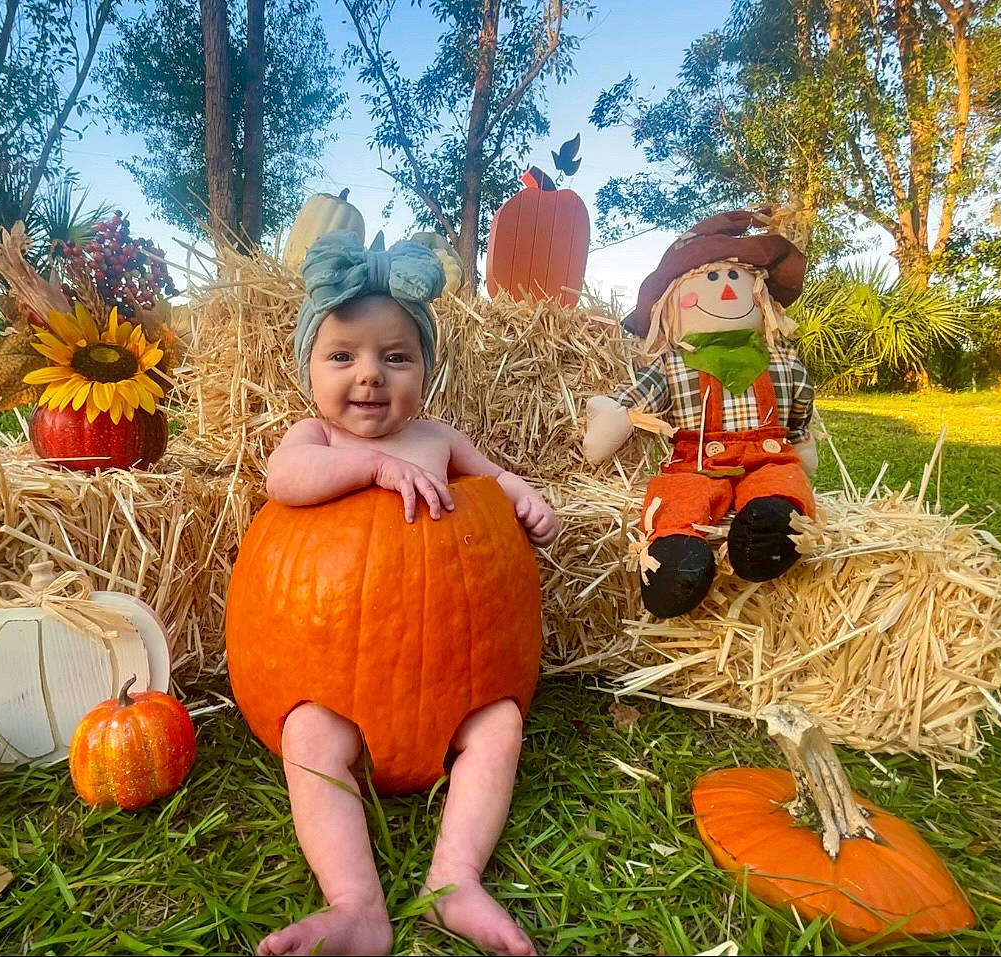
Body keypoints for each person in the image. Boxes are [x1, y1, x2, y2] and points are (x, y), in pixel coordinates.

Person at [256, 231, 558, 957]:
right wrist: (370, 470)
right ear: (310, 370)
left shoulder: (438, 437)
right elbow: (282, 482)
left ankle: (456, 879)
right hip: (337, 684)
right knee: (307, 735)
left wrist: (524, 500)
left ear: (424, 367)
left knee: (501, 725)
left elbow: (493, 480)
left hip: (454, 678)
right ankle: (356, 904)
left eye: (396, 356)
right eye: (343, 356)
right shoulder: (316, 442)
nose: (369, 376)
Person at [582, 209, 817, 619]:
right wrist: (614, 413)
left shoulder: (781, 360)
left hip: (768, 456)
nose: (726, 291)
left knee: (782, 481)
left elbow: (800, 408)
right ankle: (675, 557)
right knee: (678, 495)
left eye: (734, 279)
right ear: (671, 305)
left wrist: (800, 439)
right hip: (696, 461)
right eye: (710, 279)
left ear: (760, 297)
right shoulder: (673, 365)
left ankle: (771, 529)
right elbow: (638, 400)